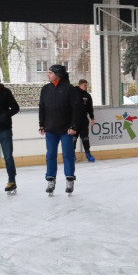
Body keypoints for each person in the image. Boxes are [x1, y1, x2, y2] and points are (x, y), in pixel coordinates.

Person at [38, 64, 83, 195]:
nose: (48, 75)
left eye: (50, 73)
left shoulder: (69, 89)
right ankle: (50, 179)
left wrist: (73, 126)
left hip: (66, 130)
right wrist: (41, 124)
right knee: (50, 155)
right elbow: (42, 108)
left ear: (58, 74)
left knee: (68, 155)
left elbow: (76, 109)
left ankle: (70, 179)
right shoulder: (46, 89)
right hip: (51, 129)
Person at [73, 79, 96, 162]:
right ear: (80, 85)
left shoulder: (87, 96)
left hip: (83, 120)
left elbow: (90, 108)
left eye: (87, 85)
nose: (86, 87)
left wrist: (92, 118)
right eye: (84, 85)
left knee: (85, 137)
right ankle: (72, 154)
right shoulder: (73, 93)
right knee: (73, 138)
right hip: (74, 120)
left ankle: (88, 153)